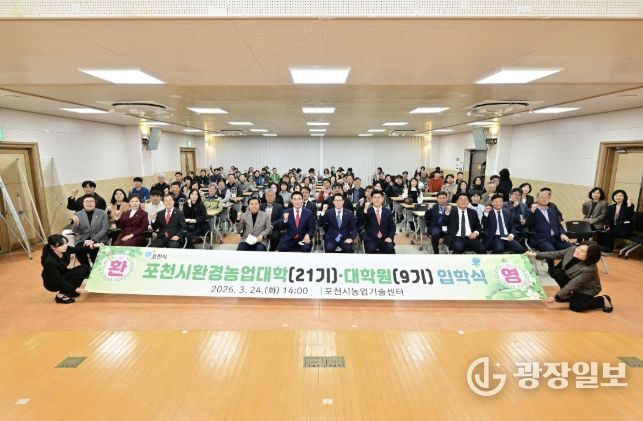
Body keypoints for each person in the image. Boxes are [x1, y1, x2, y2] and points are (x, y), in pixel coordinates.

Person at [525, 242, 613, 313]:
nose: (577, 251)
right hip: (573, 279)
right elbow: (555, 254)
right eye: (578, 248)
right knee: (558, 272)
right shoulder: (572, 249)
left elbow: (573, 284)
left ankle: (602, 300)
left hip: (586, 288)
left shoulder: (589, 269)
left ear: (590, 255)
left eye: (582, 251)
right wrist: (535, 254)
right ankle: (567, 296)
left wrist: (556, 297)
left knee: (576, 306)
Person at [41, 234, 91, 304]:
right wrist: (76, 289)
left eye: (65, 243)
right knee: (72, 278)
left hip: (63, 273)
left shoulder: (65, 249)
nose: (65, 246)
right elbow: (59, 280)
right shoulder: (49, 261)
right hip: (52, 281)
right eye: (61, 245)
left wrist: (92, 246)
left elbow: (78, 249)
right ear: (52, 247)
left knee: (85, 268)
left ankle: (69, 291)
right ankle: (60, 296)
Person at [71, 195, 109, 265]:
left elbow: (105, 228)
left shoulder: (102, 213)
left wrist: (93, 240)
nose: (89, 203)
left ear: (95, 203)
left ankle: (96, 268)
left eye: (91, 201)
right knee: (79, 251)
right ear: (83, 203)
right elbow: (75, 231)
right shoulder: (78, 214)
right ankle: (86, 268)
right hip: (82, 239)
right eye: (86, 201)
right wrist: (76, 223)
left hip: (99, 239)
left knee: (95, 252)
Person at [597, 189, 635, 255]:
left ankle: (609, 251)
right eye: (616, 195)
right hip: (614, 226)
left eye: (621, 196)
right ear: (613, 197)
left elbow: (628, 216)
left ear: (624, 197)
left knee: (611, 233)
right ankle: (601, 249)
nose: (618, 197)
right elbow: (607, 218)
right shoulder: (611, 207)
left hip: (624, 227)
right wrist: (607, 225)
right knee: (601, 232)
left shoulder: (629, 205)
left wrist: (629, 205)